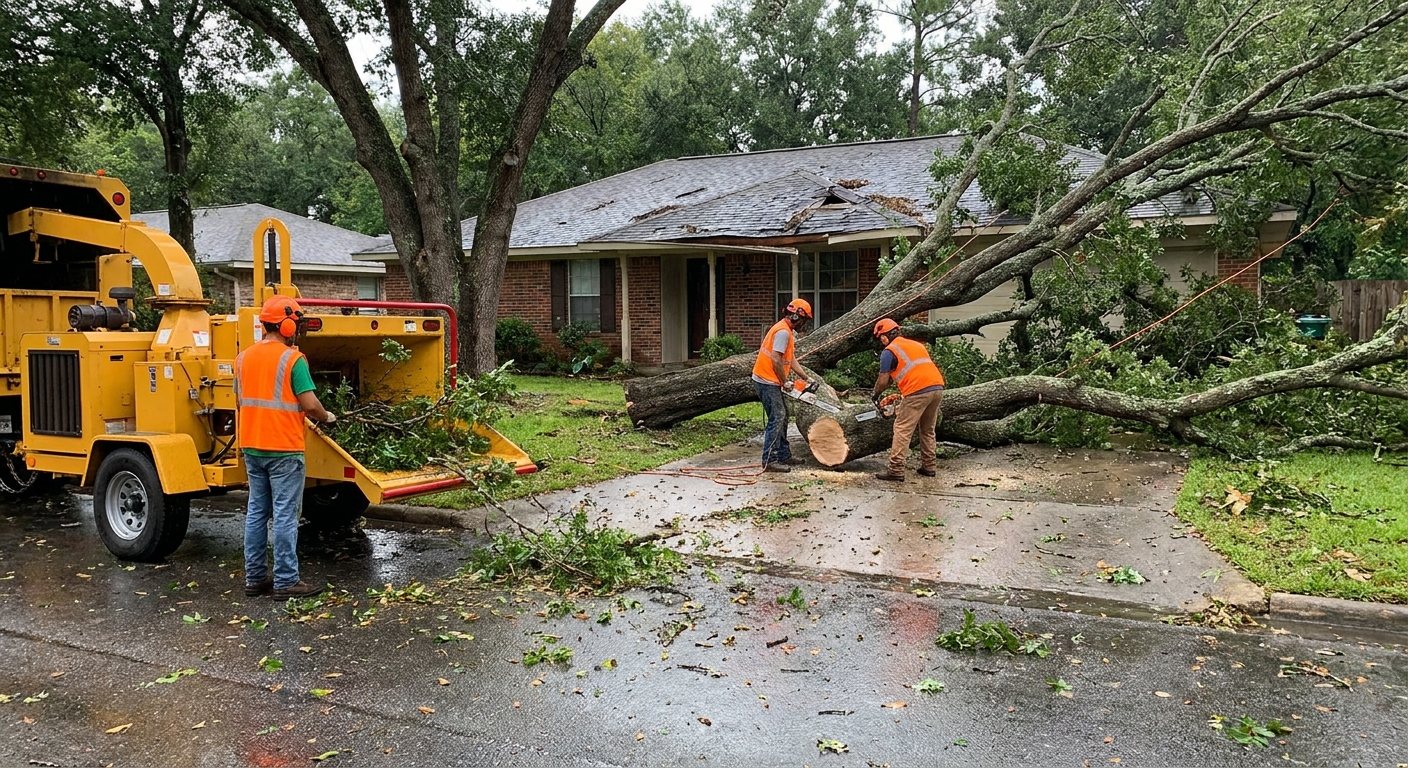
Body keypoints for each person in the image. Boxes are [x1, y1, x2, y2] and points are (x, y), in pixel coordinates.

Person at [237, 295, 336, 599]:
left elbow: (241, 401)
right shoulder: (293, 359)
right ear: (287, 324)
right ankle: (286, 581)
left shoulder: (243, 358)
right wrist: (327, 416)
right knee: (284, 515)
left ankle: (254, 579)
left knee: (256, 512)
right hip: (283, 448)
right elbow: (309, 404)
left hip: (252, 445)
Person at [870, 318, 945, 482]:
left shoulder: (889, 351)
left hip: (917, 390)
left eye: (880, 339)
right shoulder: (916, 344)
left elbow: (883, 380)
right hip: (937, 387)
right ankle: (929, 466)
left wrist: (875, 395)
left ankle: (896, 469)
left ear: (883, 336)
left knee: (902, 428)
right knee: (927, 430)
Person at [751, 298, 814, 472]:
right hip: (766, 380)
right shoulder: (783, 332)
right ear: (795, 317)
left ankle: (784, 454)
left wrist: (805, 377)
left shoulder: (786, 331)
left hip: (770, 380)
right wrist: (784, 382)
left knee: (783, 416)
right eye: (804, 320)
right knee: (777, 417)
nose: (803, 324)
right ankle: (769, 459)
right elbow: (776, 359)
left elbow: (789, 358)